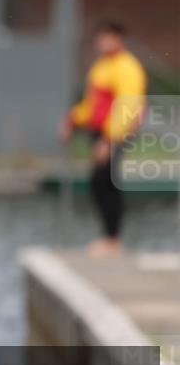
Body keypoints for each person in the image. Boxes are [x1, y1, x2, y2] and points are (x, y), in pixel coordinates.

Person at [60, 22, 147, 257]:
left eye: (107, 37)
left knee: (106, 180)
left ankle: (113, 240)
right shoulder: (100, 67)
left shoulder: (127, 67)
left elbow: (127, 106)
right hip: (101, 133)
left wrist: (109, 141)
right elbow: (92, 105)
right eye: (100, 38)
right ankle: (109, 237)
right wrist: (72, 121)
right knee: (100, 182)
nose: (102, 42)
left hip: (117, 133)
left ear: (118, 39)